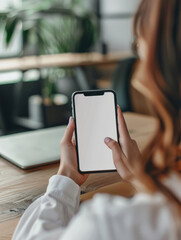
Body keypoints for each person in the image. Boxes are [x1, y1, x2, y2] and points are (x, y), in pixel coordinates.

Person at [13, 0, 181, 239]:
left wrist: (67, 177)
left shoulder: (112, 225)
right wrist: (139, 178)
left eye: (138, 47)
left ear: (160, 67)